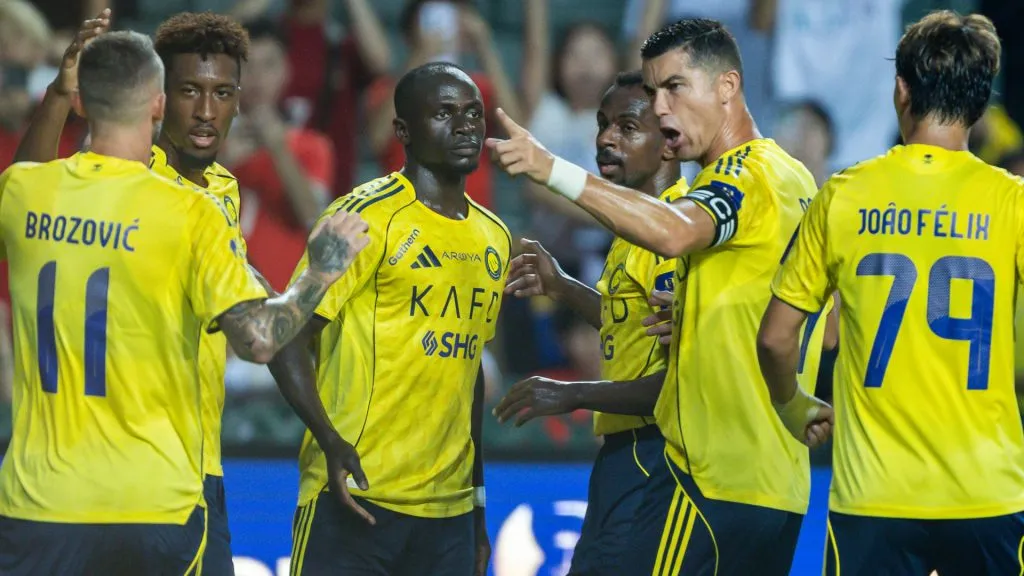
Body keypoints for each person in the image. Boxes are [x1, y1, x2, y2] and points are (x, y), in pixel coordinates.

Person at [0, 31, 368, 575]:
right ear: (158, 100)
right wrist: (321, 273)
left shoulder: (28, 191)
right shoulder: (187, 210)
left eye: (222, 93)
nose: (204, 110)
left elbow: (26, 177)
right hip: (159, 494)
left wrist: (326, 432)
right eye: (189, 91)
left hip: (46, 498)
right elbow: (261, 334)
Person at [487, 18, 831, 575]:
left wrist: (551, 168)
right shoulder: (793, 180)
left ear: (726, 87)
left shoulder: (745, 175)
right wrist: (711, 324)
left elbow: (674, 231)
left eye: (674, 87)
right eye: (655, 92)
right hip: (776, 486)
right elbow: (811, 315)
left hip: (706, 478)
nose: (663, 108)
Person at [759, 11, 1024, 575]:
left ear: (900, 90)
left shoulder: (845, 196)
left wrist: (793, 404)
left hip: (871, 496)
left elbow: (777, 338)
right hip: (987, 494)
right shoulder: (1012, 202)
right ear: (980, 107)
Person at [271, 62, 510, 576]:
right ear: (403, 131)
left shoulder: (495, 238)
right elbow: (286, 335)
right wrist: (329, 440)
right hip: (357, 492)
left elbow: (467, 377)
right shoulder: (365, 218)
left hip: (447, 512)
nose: (466, 125)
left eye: (473, 113)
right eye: (444, 113)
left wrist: (478, 506)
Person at [494, 70, 684, 575]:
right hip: (624, 457)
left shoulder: (674, 236)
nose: (605, 137)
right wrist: (563, 287)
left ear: (668, 143)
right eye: (603, 124)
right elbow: (632, 325)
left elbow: (681, 384)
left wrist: (574, 394)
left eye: (626, 125)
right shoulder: (634, 232)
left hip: (657, 457)